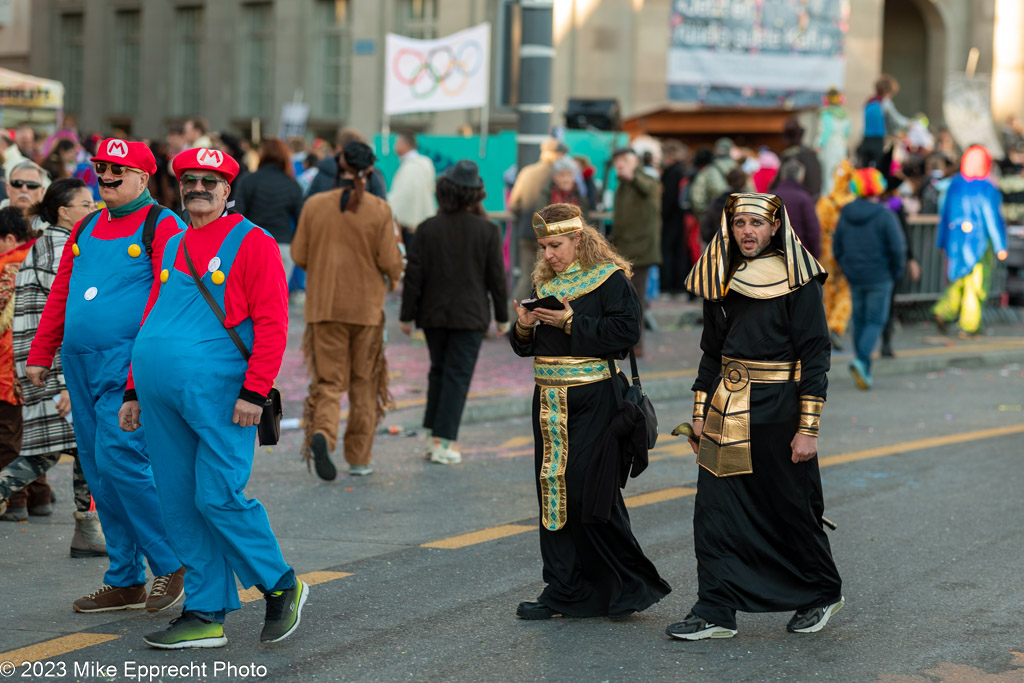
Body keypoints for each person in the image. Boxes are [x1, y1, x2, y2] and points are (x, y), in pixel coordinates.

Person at [120, 146, 305, 649]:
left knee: (217, 496)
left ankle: (281, 584)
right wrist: (134, 389)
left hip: (225, 397)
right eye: (189, 181)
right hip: (160, 398)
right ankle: (205, 611)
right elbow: (154, 315)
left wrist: (255, 389)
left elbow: (272, 322)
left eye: (209, 181)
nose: (197, 188)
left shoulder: (254, 242)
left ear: (227, 190)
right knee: (179, 503)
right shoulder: (176, 244)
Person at [667, 192, 842, 640]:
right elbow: (712, 352)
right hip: (727, 407)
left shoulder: (798, 282)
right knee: (715, 512)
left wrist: (808, 429)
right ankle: (716, 609)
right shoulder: (719, 277)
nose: (748, 231)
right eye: (740, 222)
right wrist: (700, 412)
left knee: (789, 509)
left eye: (757, 223)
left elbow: (816, 355)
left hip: (780, 409)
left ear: (774, 228)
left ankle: (820, 592)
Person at [26, 138, 185, 613]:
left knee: (121, 461)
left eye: (118, 168)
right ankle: (124, 576)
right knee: (97, 471)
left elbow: (166, 301)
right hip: (80, 365)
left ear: (143, 176)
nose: (107, 175)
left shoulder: (163, 224)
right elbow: (62, 293)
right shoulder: (89, 226)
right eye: (101, 166)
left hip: (126, 364)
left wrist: (141, 371)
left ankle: (171, 562)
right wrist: (41, 351)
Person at [510, 202, 670, 620]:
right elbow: (528, 347)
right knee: (552, 493)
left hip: (594, 399)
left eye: (556, 245)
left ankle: (625, 586)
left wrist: (568, 323)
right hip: (547, 401)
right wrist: (525, 326)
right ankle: (563, 589)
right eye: (544, 247)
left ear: (579, 239)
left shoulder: (610, 279)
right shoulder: (548, 279)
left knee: (588, 491)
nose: (548, 255)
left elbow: (625, 334)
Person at [0, 180, 106, 554]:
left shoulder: (49, 244)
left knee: (80, 447)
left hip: (41, 365)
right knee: (46, 453)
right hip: (52, 369)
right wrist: (65, 381)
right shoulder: (64, 247)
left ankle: (87, 531)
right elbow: (67, 317)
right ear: (64, 211)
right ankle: (88, 531)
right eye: (86, 204)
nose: (93, 211)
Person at [292, 141, 404, 480]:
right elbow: (390, 262)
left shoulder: (314, 205)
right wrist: (394, 278)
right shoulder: (379, 210)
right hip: (366, 309)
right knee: (364, 384)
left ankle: (324, 434)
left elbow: (299, 255)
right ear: (369, 171)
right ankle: (359, 457)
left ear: (338, 165)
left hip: (324, 307)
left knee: (328, 382)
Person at [399, 160, 509, 464]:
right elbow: (496, 279)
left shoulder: (426, 228)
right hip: (471, 316)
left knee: (438, 371)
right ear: (475, 195)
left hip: (432, 314)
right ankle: (443, 441)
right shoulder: (487, 230)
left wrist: (406, 315)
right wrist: (502, 316)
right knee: (457, 376)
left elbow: (414, 277)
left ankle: (433, 434)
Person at [832, 169, 906, 389]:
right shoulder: (884, 215)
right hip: (880, 275)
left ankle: (863, 366)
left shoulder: (845, 215)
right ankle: (862, 361)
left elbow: (838, 246)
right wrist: (896, 272)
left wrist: (846, 267)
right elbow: (897, 248)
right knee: (875, 321)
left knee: (861, 320)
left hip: (855, 275)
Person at [933, 145, 1008, 337]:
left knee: (957, 279)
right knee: (976, 284)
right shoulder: (987, 187)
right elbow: (992, 217)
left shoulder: (955, 184)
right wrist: (1000, 245)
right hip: (978, 241)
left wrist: (942, 241)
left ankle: (943, 310)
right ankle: (969, 325)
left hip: (955, 240)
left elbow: (945, 215)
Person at [0, 208, 39, 519]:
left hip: (8, 365)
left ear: (10, 239)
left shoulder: (8, 266)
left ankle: (14, 501)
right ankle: (40, 497)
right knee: (34, 431)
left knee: (8, 433)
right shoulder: (42, 254)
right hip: (38, 361)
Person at [610, 147, 661, 356]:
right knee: (625, 299)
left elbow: (648, 188)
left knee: (635, 299)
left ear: (635, 161)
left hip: (640, 252)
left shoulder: (643, 179)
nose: (620, 164)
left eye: (625, 160)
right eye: (618, 161)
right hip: (625, 250)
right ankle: (628, 341)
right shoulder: (623, 185)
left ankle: (636, 344)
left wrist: (632, 176)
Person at [233, 137, 303, 286]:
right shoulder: (291, 183)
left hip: (254, 245)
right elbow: (301, 219)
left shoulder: (249, 180)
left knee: (250, 298)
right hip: (282, 246)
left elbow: (237, 214)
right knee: (277, 299)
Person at [509, 138, 562, 303]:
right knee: (549, 278)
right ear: (557, 154)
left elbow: (514, 204)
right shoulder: (557, 174)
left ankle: (515, 317)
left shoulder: (527, 172)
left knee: (527, 276)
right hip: (551, 237)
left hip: (526, 231)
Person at [815, 160, 857, 350]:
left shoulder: (826, 202)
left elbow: (818, 228)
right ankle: (836, 325)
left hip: (827, 248)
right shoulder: (855, 203)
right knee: (846, 289)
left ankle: (825, 327)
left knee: (828, 289)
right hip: (849, 248)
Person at [387, 132, 437, 249]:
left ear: (403, 144)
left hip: (409, 229)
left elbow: (402, 197)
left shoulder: (410, 167)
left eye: (397, 142)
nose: (395, 146)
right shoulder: (425, 163)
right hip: (424, 224)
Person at [859, 75, 910, 172]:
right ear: (888, 91)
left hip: (866, 140)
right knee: (879, 171)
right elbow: (895, 119)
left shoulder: (869, 102)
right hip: (879, 141)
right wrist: (910, 123)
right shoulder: (885, 102)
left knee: (865, 171)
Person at [772, 160, 822, 258]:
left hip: (774, 253)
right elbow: (813, 230)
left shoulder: (772, 196)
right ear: (801, 177)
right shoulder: (804, 198)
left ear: (782, 176)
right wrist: (815, 254)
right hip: (799, 253)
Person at [660, 140, 690, 297]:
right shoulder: (683, 170)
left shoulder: (672, 172)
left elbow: (669, 198)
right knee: (679, 251)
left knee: (668, 251)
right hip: (682, 217)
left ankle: (669, 286)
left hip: (671, 218)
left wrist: (661, 214)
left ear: (669, 155)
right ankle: (680, 285)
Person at [772, 118, 823, 199]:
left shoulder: (789, 156)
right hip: (813, 198)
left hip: (797, 200)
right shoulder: (811, 154)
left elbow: (777, 184)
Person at [690, 138, 737, 221]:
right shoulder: (740, 170)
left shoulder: (707, 171)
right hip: (737, 221)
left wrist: (705, 218)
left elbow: (697, 199)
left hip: (714, 220)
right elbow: (751, 194)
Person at [816, 88, 851, 195]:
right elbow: (847, 132)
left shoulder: (826, 113)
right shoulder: (845, 114)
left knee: (828, 173)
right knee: (840, 172)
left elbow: (826, 131)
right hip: (841, 145)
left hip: (829, 145)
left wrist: (819, 144)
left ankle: (828, 199)